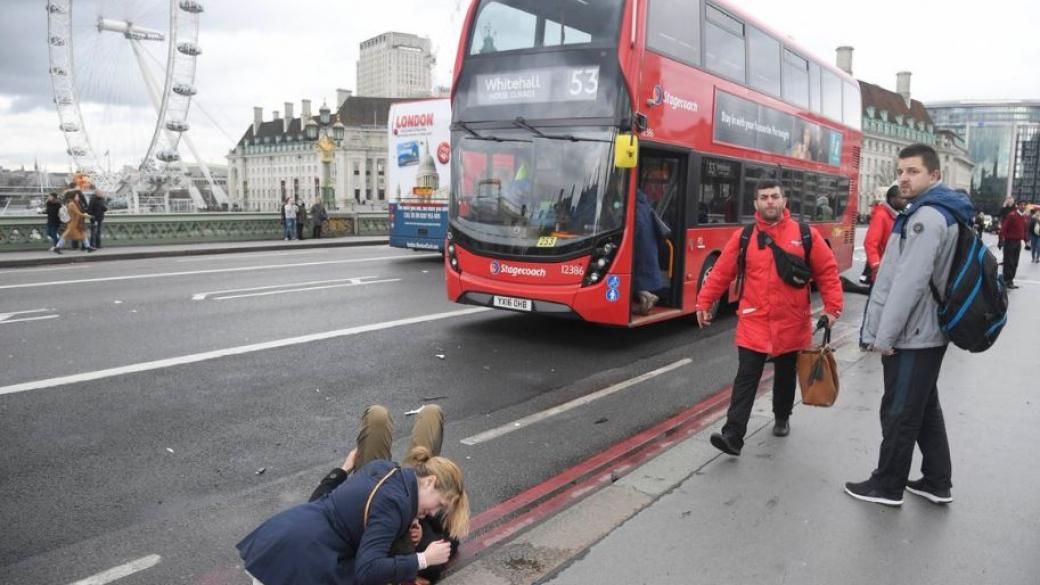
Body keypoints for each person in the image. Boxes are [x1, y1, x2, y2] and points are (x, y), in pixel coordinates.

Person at [851, 143, 974, 507]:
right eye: (901, 171)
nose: (903, 178)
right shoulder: (937, 211)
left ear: (934, 175)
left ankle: (887, 484)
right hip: (928, 331)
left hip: (913, 334)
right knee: (923, 407)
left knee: (900, 410)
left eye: (913, 171)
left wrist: (883, 337)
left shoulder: (927, 218)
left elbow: (908, 282)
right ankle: (937, 480)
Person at [237, 404, 469, 585]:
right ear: (430, 481)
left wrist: (342, 471)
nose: (434, 511)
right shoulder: (394, 504)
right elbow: (367, 570)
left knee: (385, 415)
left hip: (281, 539)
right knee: (388, 416)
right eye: (439, 504)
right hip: (301, 564)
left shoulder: (381, 469)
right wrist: (424, 558)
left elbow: (323, 507)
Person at [696, 179, 843, 455]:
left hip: (791, 322)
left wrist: (832, 308)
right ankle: (733, 435)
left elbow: (827, 272)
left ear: (784, 201)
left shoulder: (805, 234)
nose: (770, 202)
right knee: (746, 378)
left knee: (785, 375)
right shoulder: (744, 237)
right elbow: (721, 273)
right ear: (756, 204)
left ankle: (782, 416)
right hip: (754, 322)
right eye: (764, 197)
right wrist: (704, 301)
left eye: (775, 196)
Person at [633, 189, 670, 315]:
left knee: (633, 277)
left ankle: (647, 296)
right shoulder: (644, 204)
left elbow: (637, 225)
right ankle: (645, 301)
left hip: (639, 247)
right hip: (647, 246)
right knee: (638, 277)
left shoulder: (636, 204)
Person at [862, 185, 906, 284]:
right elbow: (870, 243)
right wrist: (876, 266)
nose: (905, 201)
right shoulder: (881, 216)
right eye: (902, 198)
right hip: (882, 272)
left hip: (890, 270)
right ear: (892, 199)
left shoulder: (895, 215)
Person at [997, 199, 1028, 288]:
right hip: (1010, 242)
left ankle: (1010, 280)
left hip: (1018, 242)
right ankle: (1007, 280)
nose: (1023, 206)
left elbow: (1024, 230)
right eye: (1021, 205)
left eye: (1024, 205)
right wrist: (1000, 240)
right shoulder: (1012, 215)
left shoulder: (1024, 217)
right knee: (1008, 261)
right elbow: (1003, 228)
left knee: (1015, 262)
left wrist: (1026, 241)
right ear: (1017, 206)